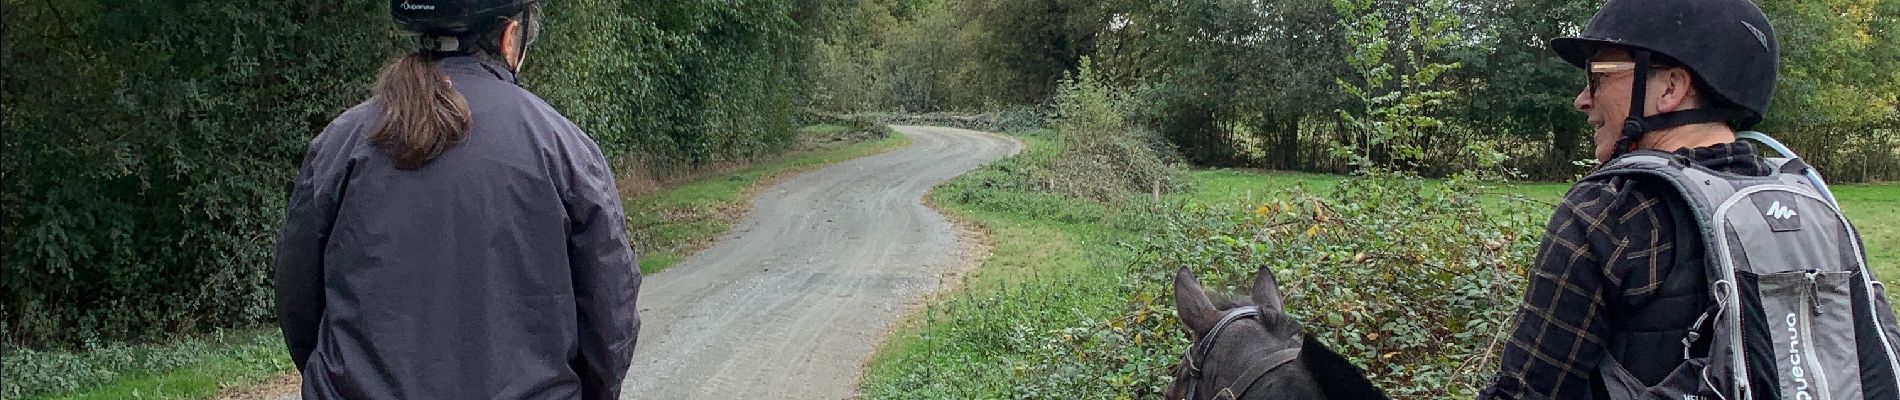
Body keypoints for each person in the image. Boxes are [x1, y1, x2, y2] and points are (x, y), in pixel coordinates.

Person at [273, 1, 641, 398]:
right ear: (510, 37)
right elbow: (609, 313)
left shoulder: (341, 144)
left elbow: (298, 300)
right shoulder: (563, 149)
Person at [1478, 0, 1781, 397]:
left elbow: (1527, 391)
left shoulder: (1612, 210)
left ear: (1671, 88)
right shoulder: (1804, 203)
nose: (1582, 99)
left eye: (1597, 76)